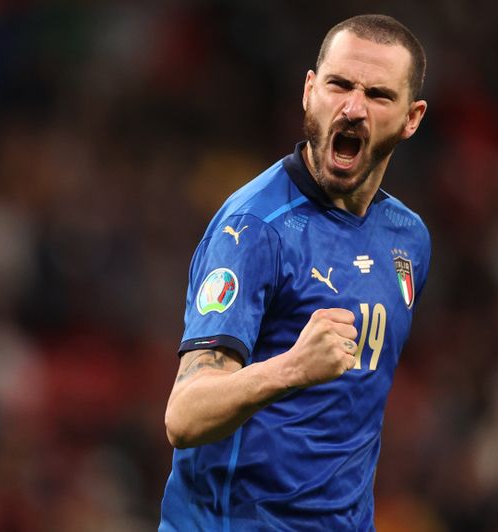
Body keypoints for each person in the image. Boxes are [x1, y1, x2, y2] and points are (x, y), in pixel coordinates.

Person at [159, 14, 430, 531]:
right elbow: (184, 416)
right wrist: (290, 368)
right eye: (338, 85)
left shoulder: (408, 239)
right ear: (310, 90)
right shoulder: (254, 229)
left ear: (411, 117)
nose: (352, 108)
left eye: (377, 94)